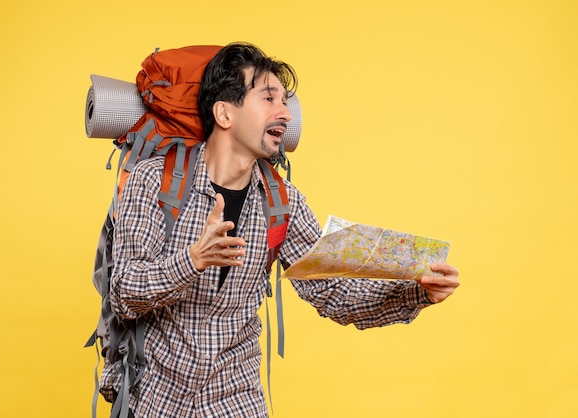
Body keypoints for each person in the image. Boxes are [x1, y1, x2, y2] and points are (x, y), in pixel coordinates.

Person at [106, 42, 460, 418]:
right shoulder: (154, 182)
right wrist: (193, 259)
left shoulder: (282, 201)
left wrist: (415, 292)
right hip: (156, 395)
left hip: (234, 396)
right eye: (269, 99)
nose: (286, 114)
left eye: (286, 103)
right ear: (224, 113)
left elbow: (333, 292)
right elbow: (124, 293)